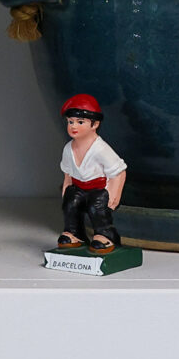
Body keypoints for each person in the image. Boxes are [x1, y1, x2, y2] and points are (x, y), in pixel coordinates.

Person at [55, 94, 126, 252]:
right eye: (70, 122)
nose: (73, 126)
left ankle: (105, 235)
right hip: (78, 187)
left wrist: (114, 195)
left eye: (80, 122)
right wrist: (66, 191)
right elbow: (68, 173)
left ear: (95, 124)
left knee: (97, 208)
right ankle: (74, 234)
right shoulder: (68, 149)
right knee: (70, 204)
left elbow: (119, 172)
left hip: (98, 189)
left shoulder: (100, 149)